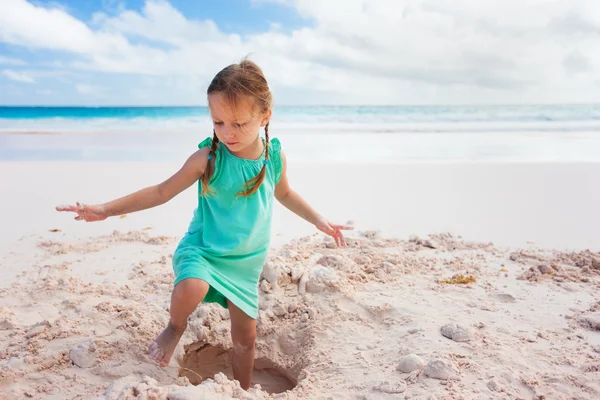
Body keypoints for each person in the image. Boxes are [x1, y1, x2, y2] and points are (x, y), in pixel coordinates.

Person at [56, 59, 352, 390]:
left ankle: (241, 389)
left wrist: (319, 220)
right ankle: (175, 327)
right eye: (219, 122)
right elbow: (161, 191)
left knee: (246, 339)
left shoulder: (274, 157)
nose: (227, 133)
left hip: (245, 263)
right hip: (205, 249)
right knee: (192, 286)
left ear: (264, 116)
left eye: (239, 123)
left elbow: (285, 193)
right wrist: (106, 210)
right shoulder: (208, 158)